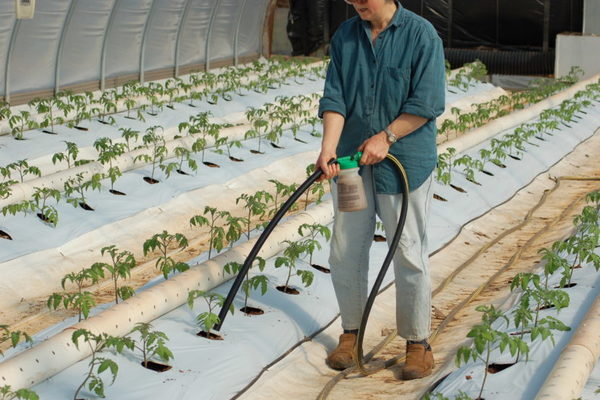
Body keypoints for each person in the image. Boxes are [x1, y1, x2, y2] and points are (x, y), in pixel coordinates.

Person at [315, 0, 445, 380]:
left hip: (403, 164)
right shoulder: (346, 35)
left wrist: (387, 137)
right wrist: (328, 148)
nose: (356, 5)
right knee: (345, 248)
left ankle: (418, 343)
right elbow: (335, 96)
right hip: (352, 165)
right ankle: (350, 334)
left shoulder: (422, 36)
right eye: (351, 0)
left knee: (407, 250)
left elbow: (427, 102)